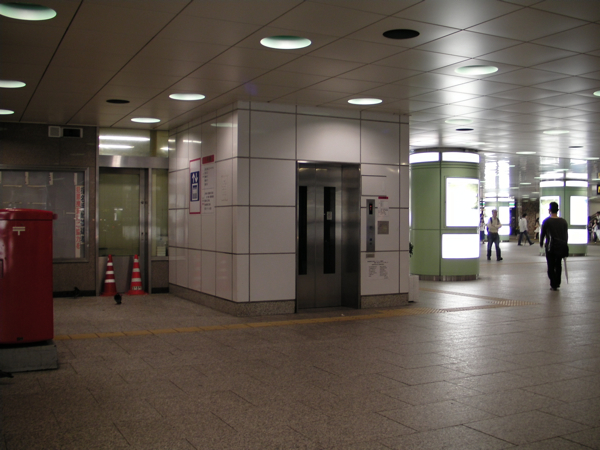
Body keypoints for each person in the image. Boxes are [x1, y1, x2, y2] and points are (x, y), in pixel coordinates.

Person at [540, 202, 569, 291]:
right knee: (558, 264)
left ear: (550, 210)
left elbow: (543, 234)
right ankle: (557, 282)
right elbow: (566, 235)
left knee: (551, 265)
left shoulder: (546, 221)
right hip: (561, 246)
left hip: (550, 247)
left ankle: (553, 283)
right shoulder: (563, 221)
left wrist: (541, 242)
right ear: (557, 210)